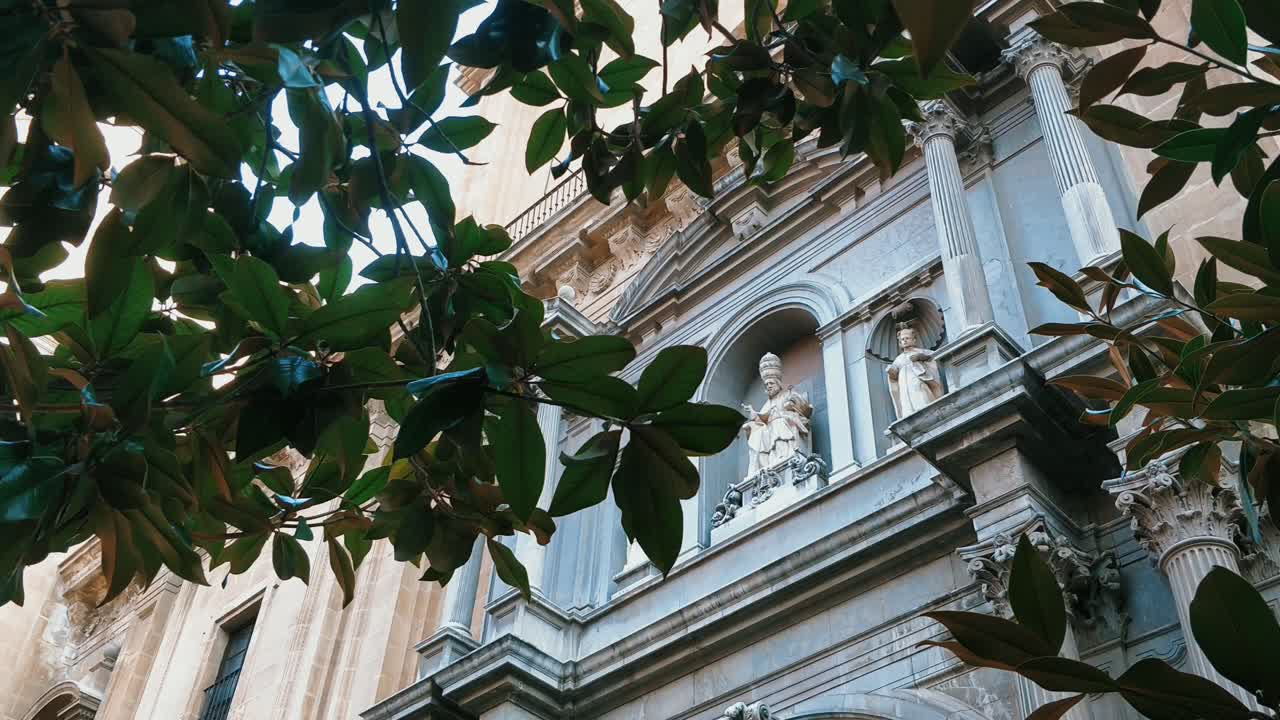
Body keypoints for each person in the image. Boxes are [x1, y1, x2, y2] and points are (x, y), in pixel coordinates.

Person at [741, 352, 813, 477]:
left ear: (778, 384)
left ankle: (784, 456)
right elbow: (761, 420)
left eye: (771, 384)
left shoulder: (787, 395)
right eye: (766, 384)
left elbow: (804, 408)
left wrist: (792, 403)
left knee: (778, 424)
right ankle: (763, 466)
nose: (768, 386)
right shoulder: (766, 404)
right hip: (768, 431)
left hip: (784, 423)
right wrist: (753, 416)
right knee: (756, 433)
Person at [887, 322, 943, 419]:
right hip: (904, 386)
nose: (904, 341)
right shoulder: (899, 359)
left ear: (914, 340)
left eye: (907, 338)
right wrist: (890, 371)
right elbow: (894, 375)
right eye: (902, 340)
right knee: (907, 401)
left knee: (921, 394)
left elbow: (932, 357)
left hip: (918, 381)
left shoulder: (920, 351)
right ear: (900, 343)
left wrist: (920, 357)